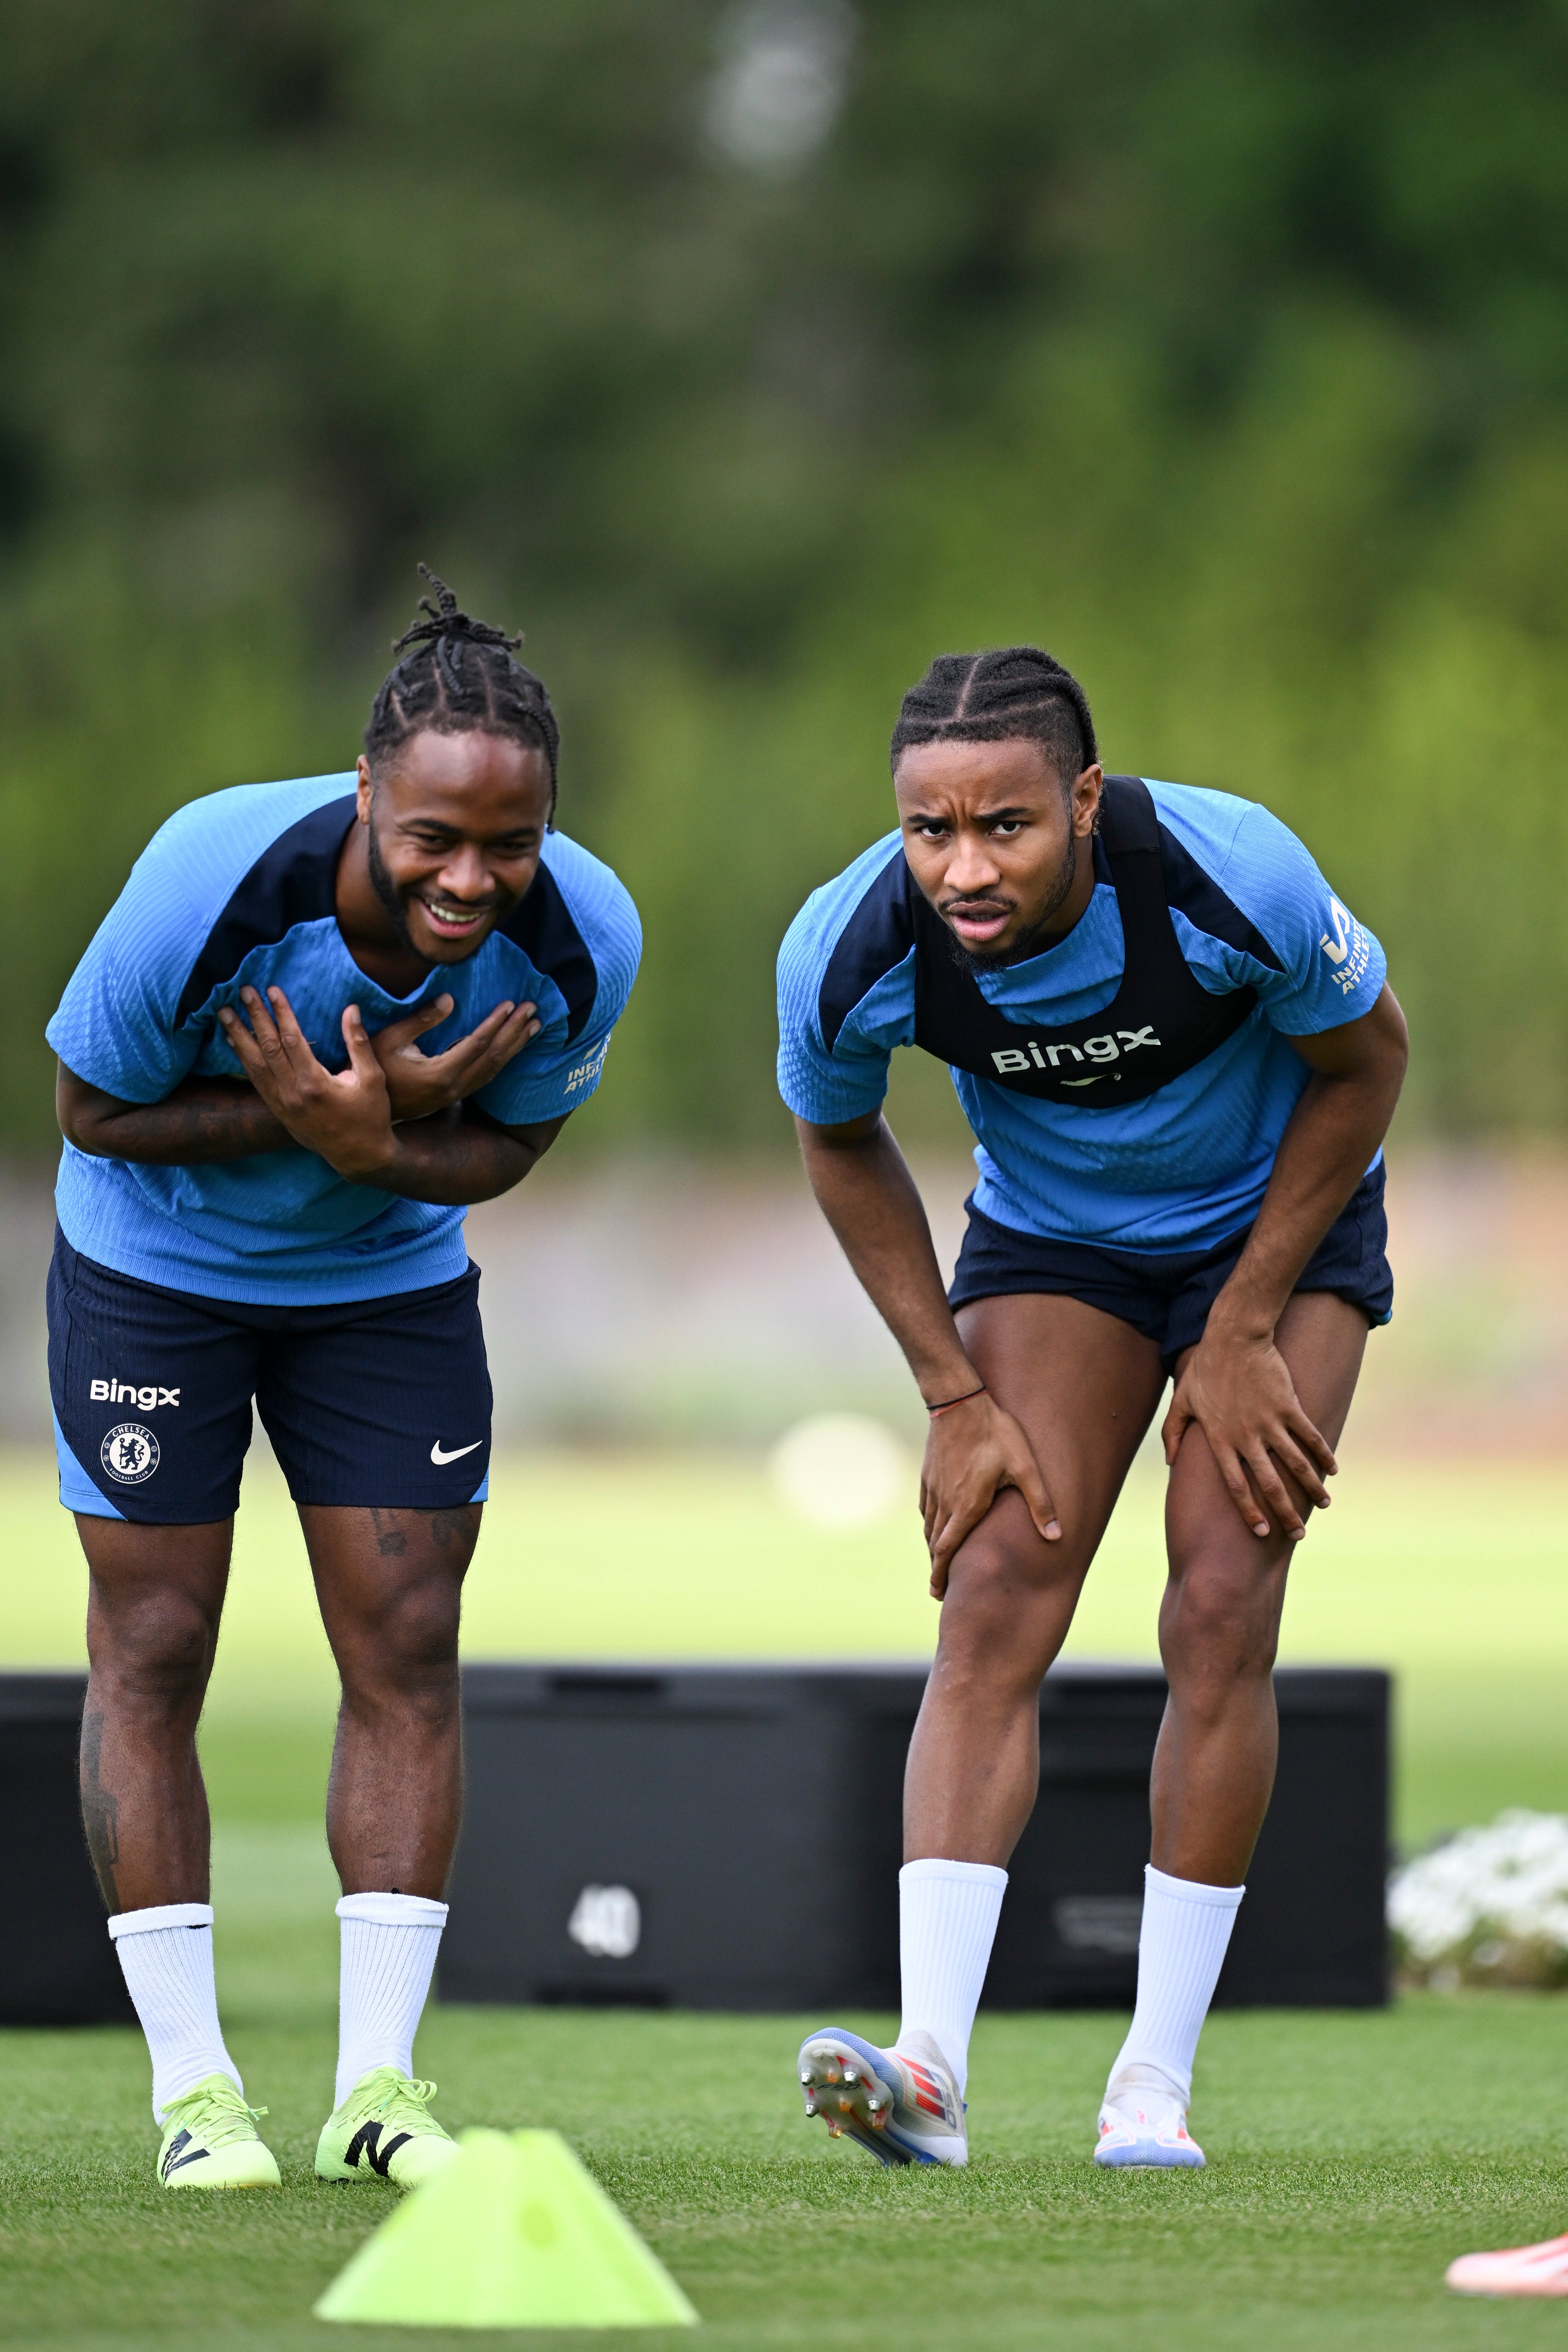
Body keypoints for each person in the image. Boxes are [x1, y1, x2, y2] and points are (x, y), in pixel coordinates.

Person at [47, 569, 640, 2190]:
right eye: (433, 837)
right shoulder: (209, 877)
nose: (471, 878)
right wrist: (322, 1122)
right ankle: (195, 2097)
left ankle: (379, 2091)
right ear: (367, 789)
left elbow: (511, 1149)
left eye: (507, 845)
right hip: (154, 1271)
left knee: (409, 1634)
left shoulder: (585, 936)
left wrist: (386, 1152)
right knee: (156, 1639)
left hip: (383, 1286)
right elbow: (89, 1113)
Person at [776, 646, 1407, 2168]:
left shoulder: (1229, 873)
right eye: (931, 829)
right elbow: (840, 1137)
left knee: (1220, 1603)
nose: (963, 867)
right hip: (1058, 1242)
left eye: (1007, 826)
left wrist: (1246, 1318)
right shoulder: (851, 945)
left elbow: (1366, 1062)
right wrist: (948, 1390)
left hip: (1279, 1225)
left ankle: (1151, 2081)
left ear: (1085, 798)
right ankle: (928, 2068)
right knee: (991, 1586)